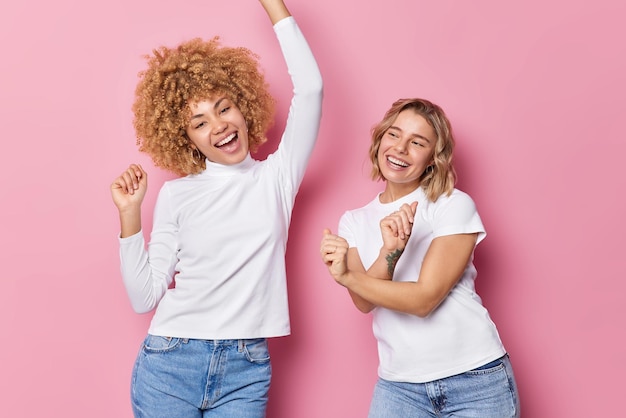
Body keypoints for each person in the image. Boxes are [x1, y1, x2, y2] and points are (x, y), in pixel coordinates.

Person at [110, 0, 323, 415]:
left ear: (244, 107)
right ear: (186, 138)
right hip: (170, 361)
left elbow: (311, 89)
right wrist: (129, 214)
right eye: (200, 122)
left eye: (224, 108)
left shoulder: (277, 177)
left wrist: (273, 6)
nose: (219, 125)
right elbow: (144, 297)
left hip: (247, 368)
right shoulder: (177, 195)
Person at [320, 98, 519, 417]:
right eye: (394, 135)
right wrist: (390, 252)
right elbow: (364, 301)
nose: (400, 148)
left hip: (473, 380)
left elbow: (425, 300)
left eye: (417, 142)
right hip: (399, 386)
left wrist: (346, 276)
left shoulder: (452, 205)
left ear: (432, 158)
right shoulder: (354, 220)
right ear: (380, 139)